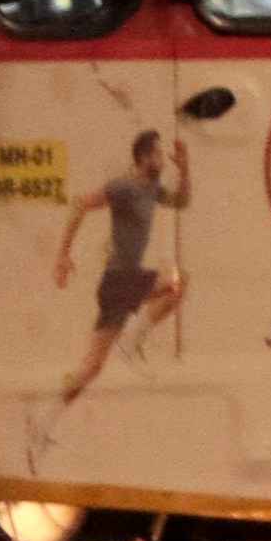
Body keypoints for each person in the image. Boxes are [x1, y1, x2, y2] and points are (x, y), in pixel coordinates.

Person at [53, 125, 189, 409]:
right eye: (157, 154)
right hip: (118, 282)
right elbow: (81, 204)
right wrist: (64, 254)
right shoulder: (124, 188)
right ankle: (130, 341)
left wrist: (185, 169)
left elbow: (181, 201)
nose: (162, 160)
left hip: (129, 280)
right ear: (142, 158)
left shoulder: (153, 190)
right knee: (178, 282)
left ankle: (47, 413)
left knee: (91, 369)